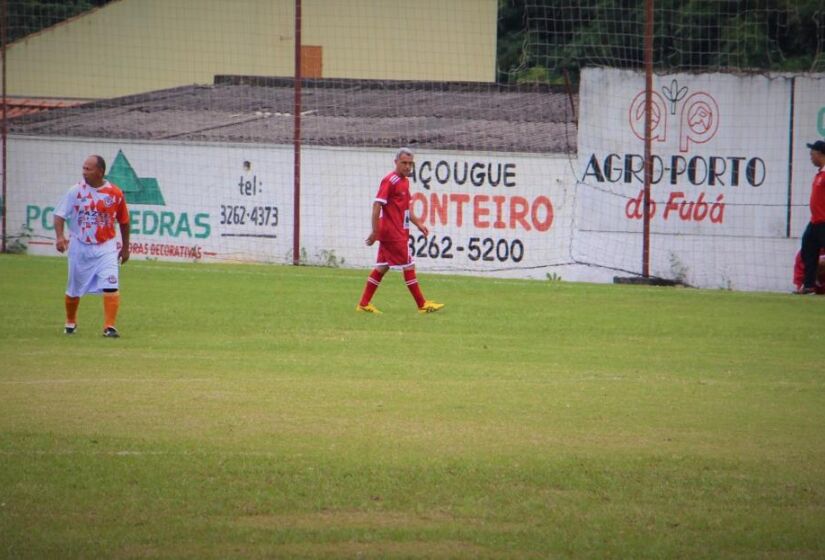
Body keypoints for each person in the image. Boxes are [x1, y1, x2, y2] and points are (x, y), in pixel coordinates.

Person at [356, 147, 444, 314]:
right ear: (395, 162)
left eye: (410, 164)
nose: (407, 167)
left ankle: (363, 304)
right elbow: (377, 205)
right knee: (409, 265)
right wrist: (375, 232)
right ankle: (422, 305)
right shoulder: (390, 180)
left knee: (382, 267)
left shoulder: (405, 181)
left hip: (397, 231)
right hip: (393, 233)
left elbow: (405, 209)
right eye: (404, 163)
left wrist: (418, 223)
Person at [54, 155, 130, 336]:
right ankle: (71, 322)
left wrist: (125, 247)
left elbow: (124, 221)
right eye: (84, 168)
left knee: (111, 283)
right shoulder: (75, 191)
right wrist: (59, 237)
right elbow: (59, 215)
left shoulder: (115, 193)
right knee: (74, 287)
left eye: (88, 169)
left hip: (106, 246)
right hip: (80, 245)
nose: (84, 172)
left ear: (100, 172)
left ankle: (109, 327)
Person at [797, 139, 825, 294]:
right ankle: (808, 286)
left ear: (820, 154)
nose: (810, 157)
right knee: (808, 250)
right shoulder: (820, 173)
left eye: (812, 154)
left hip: (824, 222)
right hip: (815, 222)